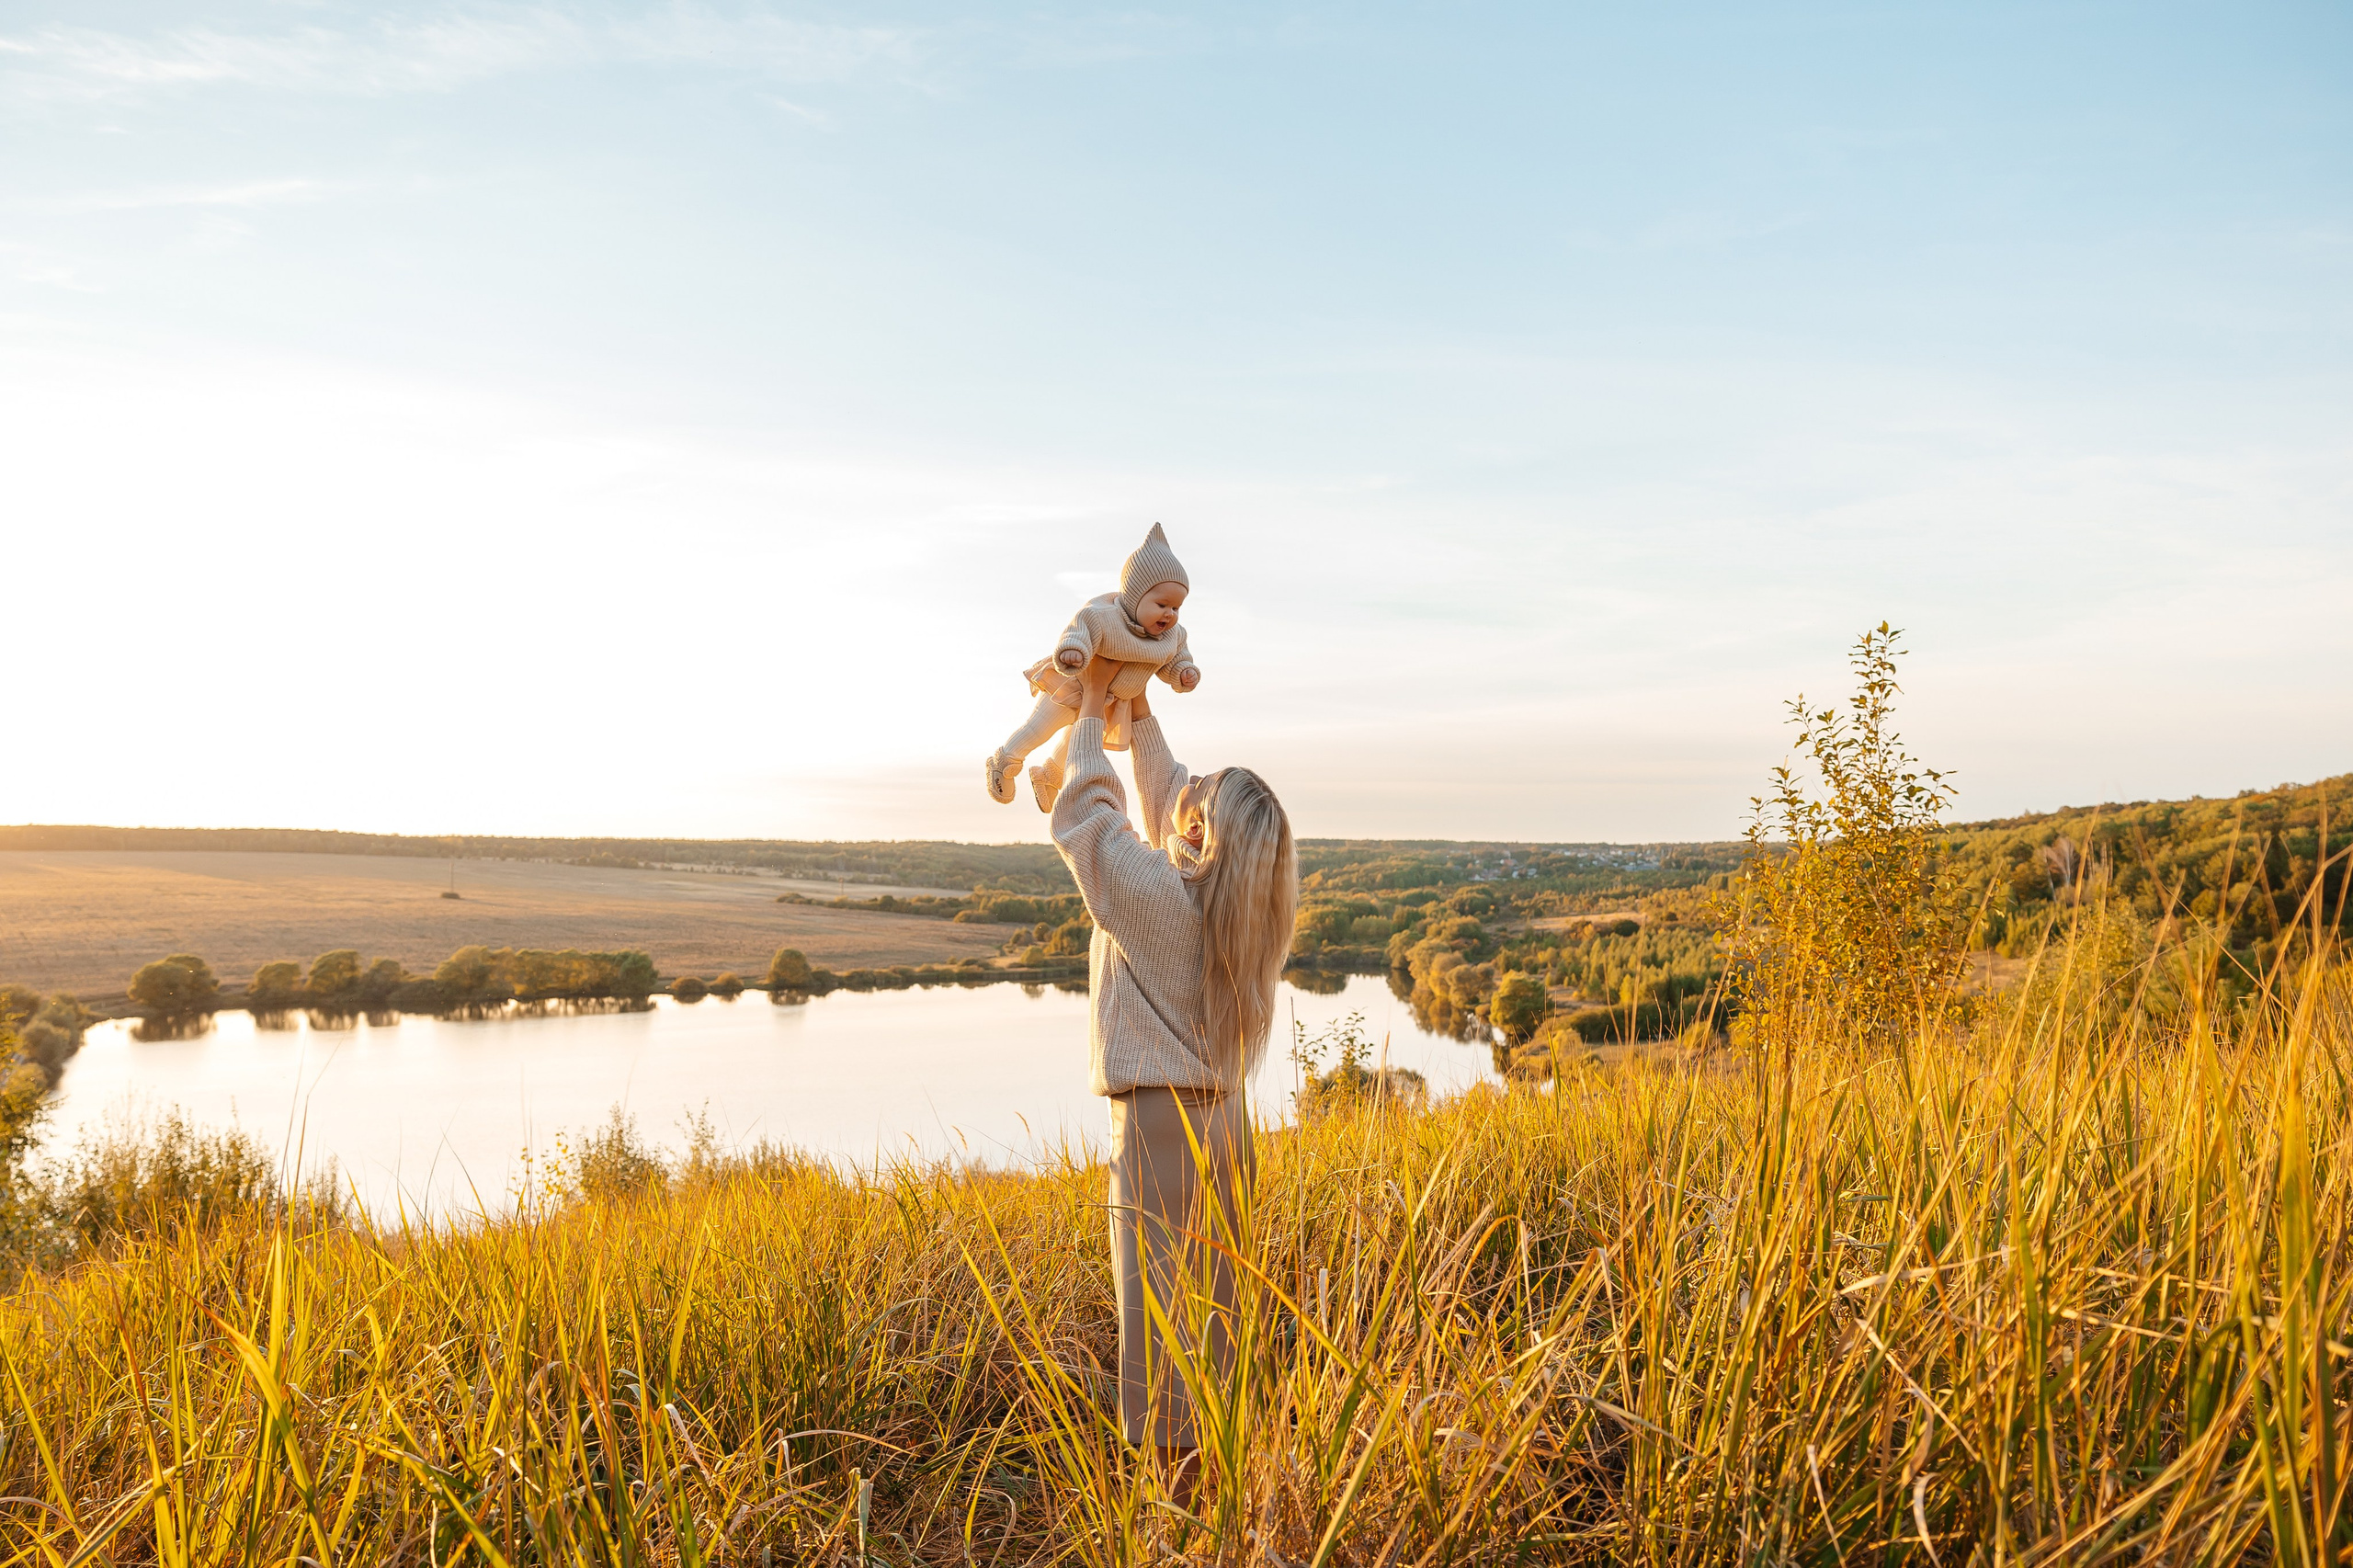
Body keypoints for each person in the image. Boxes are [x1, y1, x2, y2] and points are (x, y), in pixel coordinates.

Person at [1049, 652, 1297, 1501]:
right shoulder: (1236, 903)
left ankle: (1173, 1519)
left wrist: (1088, 710)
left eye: (1202, 795)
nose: (1187, 788)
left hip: (1160, 1132)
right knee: (1218, 1336)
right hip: (1227, 1126)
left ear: (1201, 835)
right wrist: (1140, 708)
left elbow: (1087, 820)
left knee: (1157, 1350)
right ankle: (1226, 1509)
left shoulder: (1157, 896)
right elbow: (1167, 796)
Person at [987, 523, 1204, 812]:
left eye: (1176, 608)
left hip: (1109, 703)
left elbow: (1175, 659)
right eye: (1162, 604)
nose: (1170, 613)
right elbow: (1079, 630)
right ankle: (1005, 760)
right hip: (1075, 685)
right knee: (1039, 729)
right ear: (1135, 596)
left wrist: (1183, 672)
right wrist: (1074, 652)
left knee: (1076, 748)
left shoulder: (1171, 637)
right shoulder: (1104, 617)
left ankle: (1049, 777)